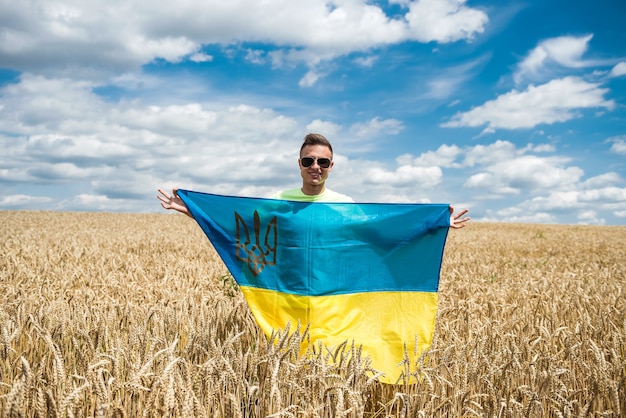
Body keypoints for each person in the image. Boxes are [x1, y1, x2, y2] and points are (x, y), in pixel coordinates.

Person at [157, 133, 470, 228]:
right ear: (299, 164)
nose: (315, 166)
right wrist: (193, 209)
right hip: (289, 294)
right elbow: (240, 222)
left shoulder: (344, 205)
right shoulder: (280, 199)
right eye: (308, 161)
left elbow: (382, 232)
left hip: (333, 294)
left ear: (331, 166)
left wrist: (434, 224)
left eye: (322, 161)